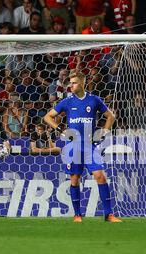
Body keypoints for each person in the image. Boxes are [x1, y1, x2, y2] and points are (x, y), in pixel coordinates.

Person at [43, 71, 121, 223]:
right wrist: (60, 129)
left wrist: (104, 132)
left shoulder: (94, 100)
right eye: (70, 83)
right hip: (73, 145)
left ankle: (109, 214)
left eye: (74, 83)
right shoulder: (67, 101)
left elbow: (111, 116)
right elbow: (47, 117)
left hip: (90, 145)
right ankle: (77, 214)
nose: (71, 86)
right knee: (75, 179)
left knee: (100, 176)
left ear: (82, 83)